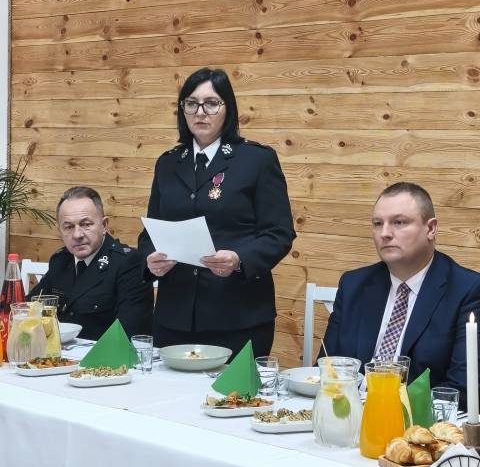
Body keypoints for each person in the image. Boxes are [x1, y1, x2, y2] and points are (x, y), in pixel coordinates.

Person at [138, 67, 295, 358]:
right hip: (175, 315)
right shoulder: (168, 163)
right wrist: (151, 261)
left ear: (227, 108)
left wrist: (238, 260)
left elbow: (279, 233)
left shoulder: (256, 160)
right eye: (191, 103)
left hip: (238, 315)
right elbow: (149, 233)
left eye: (211, 103)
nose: (200, 112)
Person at [319, 182, 480, 407]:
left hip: (420, 420)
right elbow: (326, 368)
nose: (385, 233)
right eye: (378, 224)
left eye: (399, 222)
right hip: (348, 411)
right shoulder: (354, 284)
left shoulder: (467, 289)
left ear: (431, 229)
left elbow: (461, 390)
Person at [29, 187, 153, 340]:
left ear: (104, 225)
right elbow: (29, 307)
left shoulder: (128, 263)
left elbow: (129, 332)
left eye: (86, 224)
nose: (77, 235)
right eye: (68, 227)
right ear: (60, 230)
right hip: (58, 351)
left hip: (104, 353)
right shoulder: (60, 260)